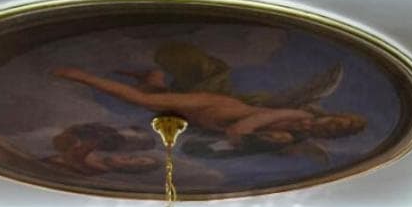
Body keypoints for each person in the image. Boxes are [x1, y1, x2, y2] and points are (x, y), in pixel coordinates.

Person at [51, 66, 366, 147]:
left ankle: (153, 76)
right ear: (335, 116)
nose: (334, 128)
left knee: (156, 97)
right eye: (339, 122)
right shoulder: (299, 114)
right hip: (213, 106)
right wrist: (244, 137)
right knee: (144, 101)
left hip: (203, 121)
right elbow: (247, 125)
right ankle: (82, 75)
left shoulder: (299, 136)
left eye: (339, 131)